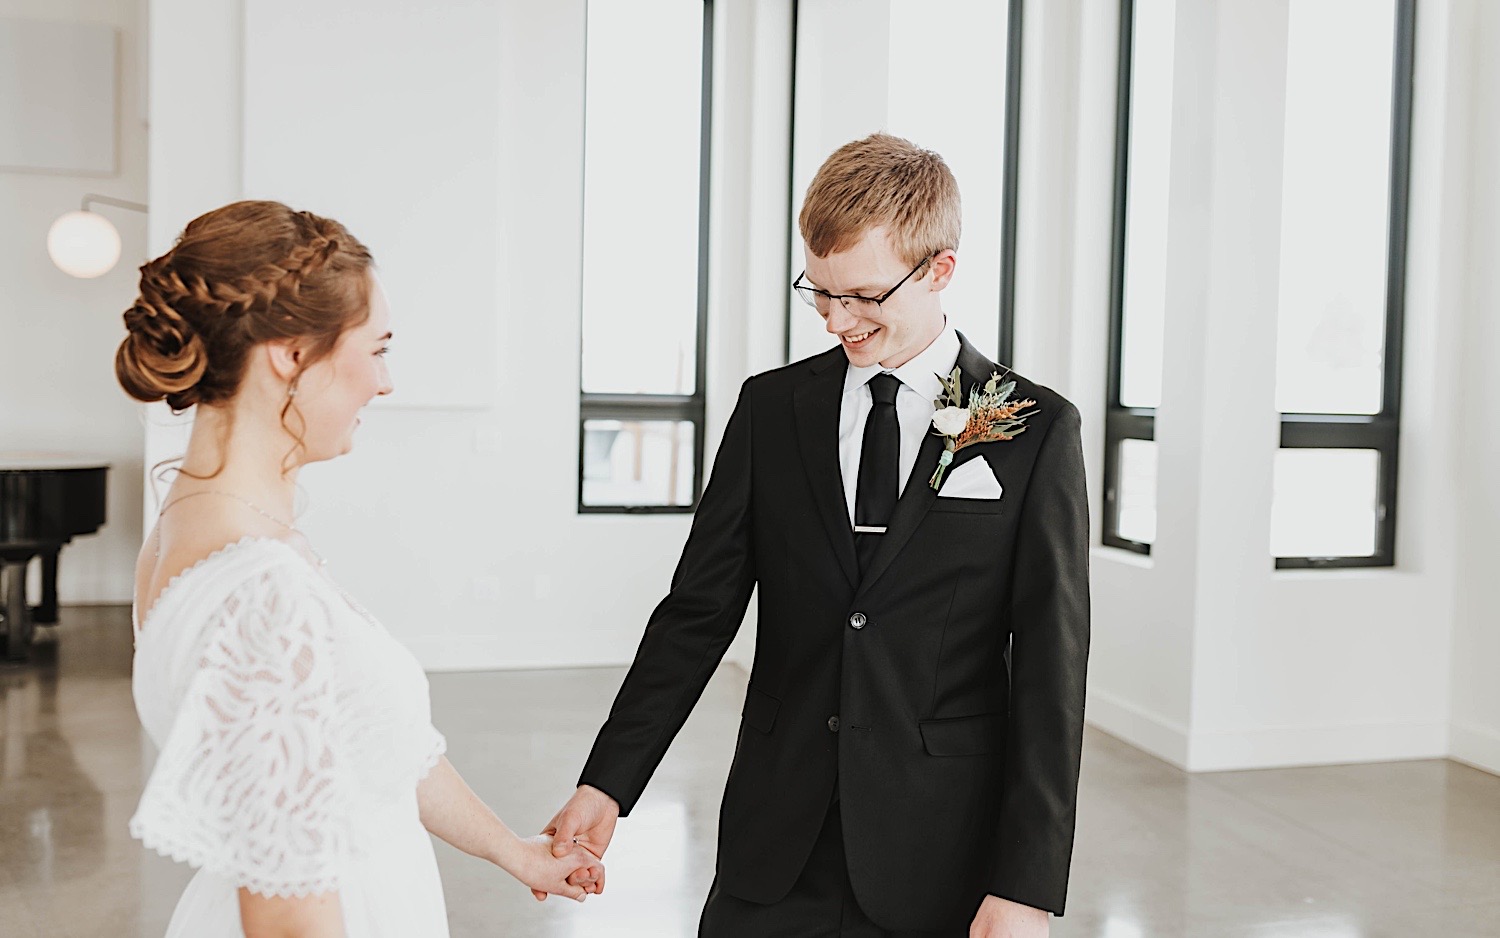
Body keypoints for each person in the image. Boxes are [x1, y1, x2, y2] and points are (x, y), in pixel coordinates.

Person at [542, 133, 1090, 936]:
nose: (840, 320)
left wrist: (1028, 885)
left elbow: (1051, 672)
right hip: (774, 843)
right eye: (821, 293)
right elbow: (696, 616)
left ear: (939, 268)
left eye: (864, 295)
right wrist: (608, 783)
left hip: (939, 852)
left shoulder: (1033, 429)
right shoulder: (772, 410)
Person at [118, 201, 603, 936]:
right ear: (291, 352)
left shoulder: (189, 531)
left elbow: (375, 748)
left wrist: (517, 854)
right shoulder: (262, 596)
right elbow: (286, 919)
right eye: (376, 348)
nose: (385, 382)